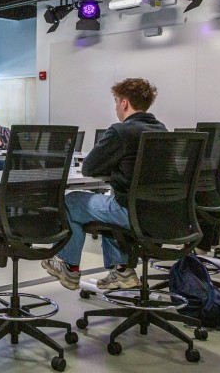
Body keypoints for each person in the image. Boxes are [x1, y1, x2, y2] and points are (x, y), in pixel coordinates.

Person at [41, 78, 167, 291]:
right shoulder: (161, 130)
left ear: (125, 103)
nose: (116, 107)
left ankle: (68, 266)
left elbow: (89, 167)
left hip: (130, 213)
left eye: (116, 102)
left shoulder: (121, 131)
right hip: (158, 214)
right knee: (107, 203)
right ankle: (122, 270)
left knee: (71, 200)